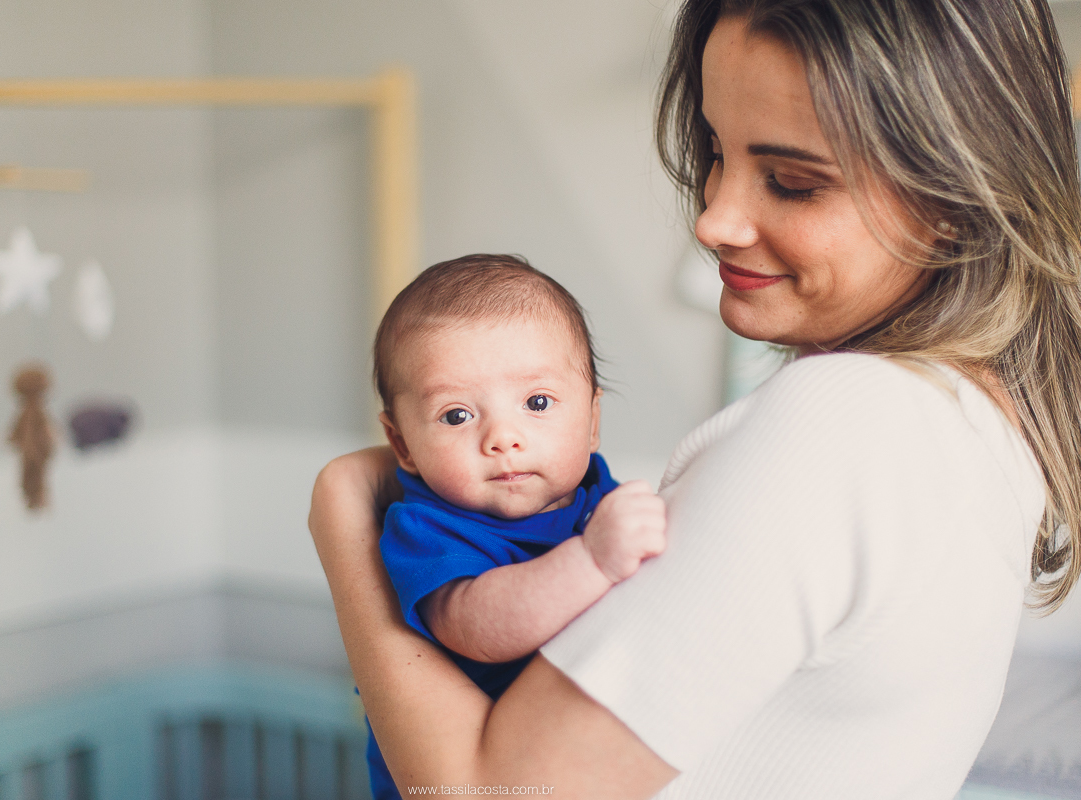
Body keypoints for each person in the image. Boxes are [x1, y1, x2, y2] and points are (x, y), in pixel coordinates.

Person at [308, 0, 1081, 797]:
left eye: (790, 182)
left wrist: (343, 521)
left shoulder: (844, 423)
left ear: (954, 202)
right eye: (716, 151)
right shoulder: (976, 415)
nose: (712, 218)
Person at [363, 253, 667, 798]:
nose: (503, 437)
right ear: (403, 445)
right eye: (457, 415)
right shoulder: (424, 526)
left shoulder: (601, 495)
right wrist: (592, 561)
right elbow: (475, 626)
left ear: (592, 421)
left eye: (537, 402)